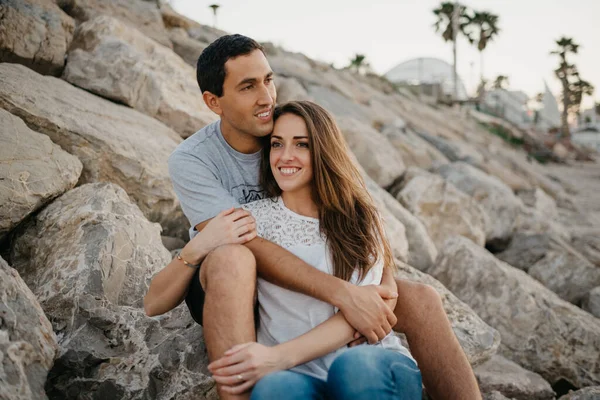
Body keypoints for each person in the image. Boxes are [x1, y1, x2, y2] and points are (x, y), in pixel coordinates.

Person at [143, 34, 481, 400]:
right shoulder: (194, 159)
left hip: (308, 280)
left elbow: (353, 200)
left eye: (268, 80)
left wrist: (379, 286)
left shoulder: (283, 124)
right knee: (233, 257)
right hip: (230, 279)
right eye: (247, 87)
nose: (266, 98)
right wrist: (346, 294)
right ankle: (246, 386)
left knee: (419, 299)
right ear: (214, 102)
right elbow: (246, 241)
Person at [207, 100, 423, 399]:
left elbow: (365, 313)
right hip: (299, 376)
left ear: (323, 150)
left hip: (372, 363)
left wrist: (277, 357)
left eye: (302, 145)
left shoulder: (359, 216)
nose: (285, 157)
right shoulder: (248, 220)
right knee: (273, 389)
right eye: (277, 144)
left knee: (353, 367)